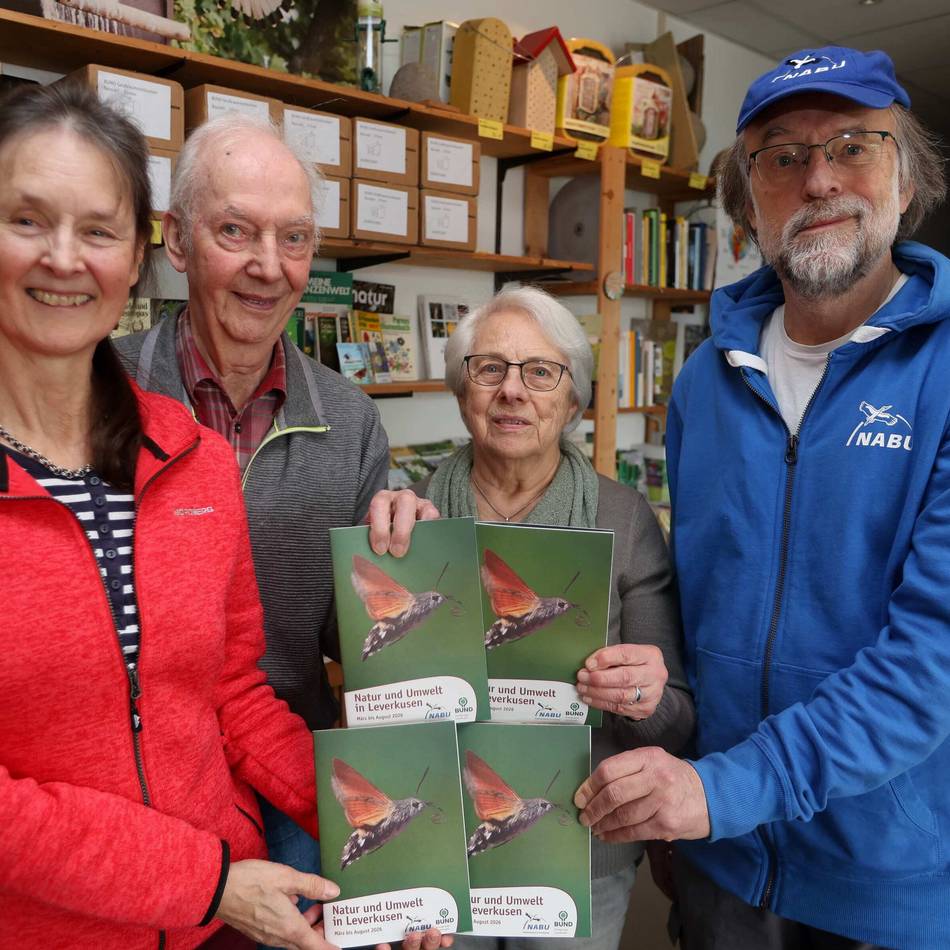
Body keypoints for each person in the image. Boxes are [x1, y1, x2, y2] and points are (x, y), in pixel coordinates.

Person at [573, 45, 950, 950]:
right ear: (747, 203)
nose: (818, 178)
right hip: (720, 864)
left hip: (885, 883)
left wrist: (718, 790)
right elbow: (700, 605)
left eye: (854, 145)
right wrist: (678, 770)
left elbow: (930, 660)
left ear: (907, 180)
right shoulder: (705, 381)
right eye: (781, 156)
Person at [0, 81, 340, 950]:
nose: (65, 259)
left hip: (213, 926)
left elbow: (232, 694)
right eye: (27, 220)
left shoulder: (193, 458)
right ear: (188, 248)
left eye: (100, 230)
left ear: (139, 255)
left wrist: (381, 823)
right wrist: (206, 882)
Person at [115, 114, 434, 883]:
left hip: (289, 773)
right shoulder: (104, 396)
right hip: (144, 785)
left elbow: (351, 648)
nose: (269, 265)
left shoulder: (351, 419)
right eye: (236, 231)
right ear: (177, 242)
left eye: (294, 239)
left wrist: (404, 565)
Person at [372, 285, 695, 950]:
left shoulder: (625, 520)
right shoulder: (409, 517)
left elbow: (679, 718)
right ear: (463, 393)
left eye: (540, 372)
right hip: (443, 853)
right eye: (490, 368)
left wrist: (642, 695)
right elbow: (373, 695)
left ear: (571, 400)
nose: (512, 391)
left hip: (578, 855)